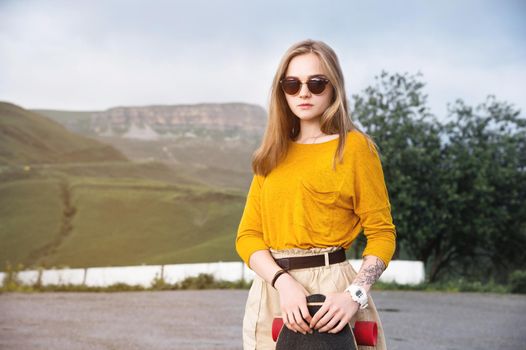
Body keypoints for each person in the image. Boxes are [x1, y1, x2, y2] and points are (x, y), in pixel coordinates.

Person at [235, 39, 396, 350]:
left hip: (335, 295)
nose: (304, 92)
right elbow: (248, 236)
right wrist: (284, 283)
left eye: (316, 83)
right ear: (282, 90)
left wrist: (354, 295)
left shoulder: (355, 149)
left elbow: (382, 234)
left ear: (333, 87)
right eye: (292, 84)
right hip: (274, 293)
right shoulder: (271, 154)